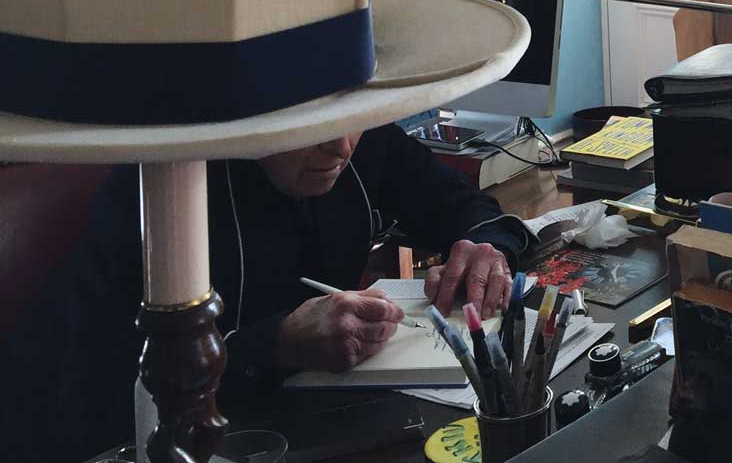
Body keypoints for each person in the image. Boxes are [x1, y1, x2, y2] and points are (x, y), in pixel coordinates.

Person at [3, 124, 530, 463]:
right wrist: (271, 345)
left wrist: (485, 249)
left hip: (313, 423)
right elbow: (108, 392)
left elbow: (469, 209)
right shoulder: (161, 189)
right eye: (312, 123)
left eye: (351, 115)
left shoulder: (364, 140)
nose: (341, 145)